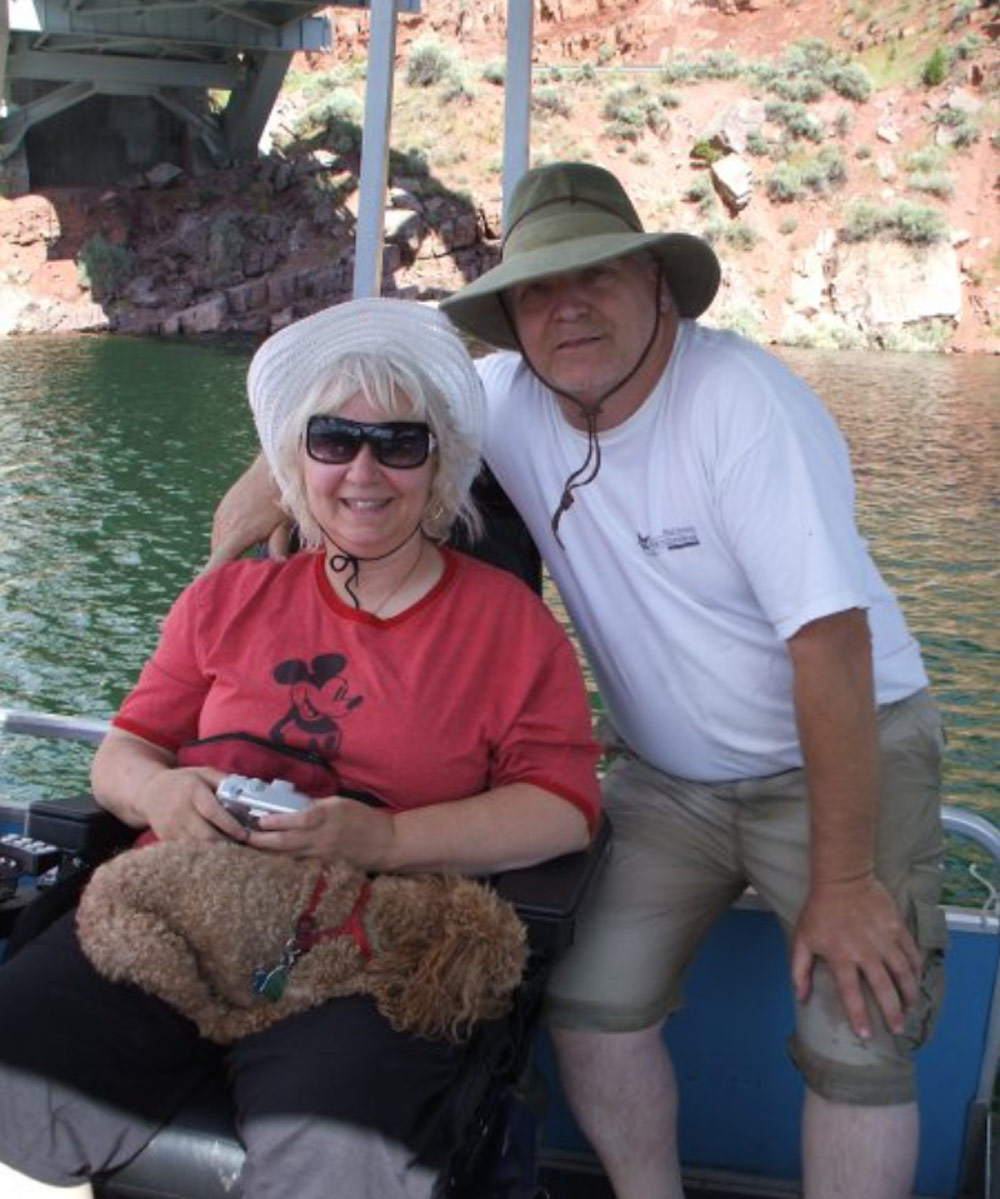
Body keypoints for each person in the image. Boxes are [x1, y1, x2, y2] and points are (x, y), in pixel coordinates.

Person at [206, 163, 946, 1199]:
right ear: (511, 318)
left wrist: (843, 880)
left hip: (840, 745)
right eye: (538, 289)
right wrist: (263, 474)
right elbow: (372, 402)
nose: (568, 307)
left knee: (857, 1030)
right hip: (668, 779)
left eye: (596, 275)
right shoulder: (505, 401)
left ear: (657, 287)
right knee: (589, 1002)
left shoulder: (742, 405)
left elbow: (829, 645)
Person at [0, 297, 601, 1199]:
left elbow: (561, 807)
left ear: (437, 468)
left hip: (368, 944)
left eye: (399, 443)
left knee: (340, 1145)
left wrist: (387, 840)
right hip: (177, 907)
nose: (365, 470)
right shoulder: (226, 600)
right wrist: (164, 798)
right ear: (297, 461)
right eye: (334, 439)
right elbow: (122, 753)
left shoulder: (506, 625)